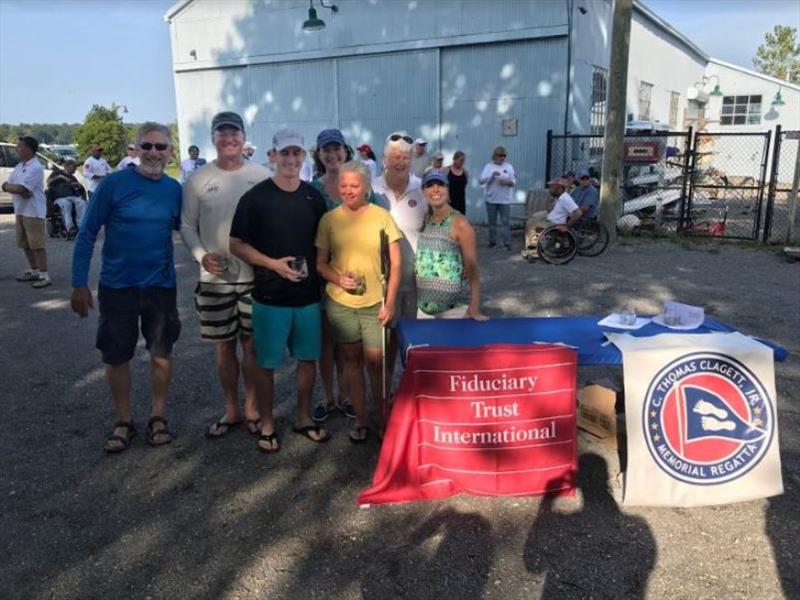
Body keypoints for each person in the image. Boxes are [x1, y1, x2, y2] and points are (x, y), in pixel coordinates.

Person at [71, 122, 182, 453]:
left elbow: (187, 229)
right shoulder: (114, 185)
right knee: (117, 354)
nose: (153, 153)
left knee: (161, 352)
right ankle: (124, 421)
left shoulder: (174, 190)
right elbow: (87, 232)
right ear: (135, 150)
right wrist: (79, 283)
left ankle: (157, 416)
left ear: (169, 152)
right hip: (117, 286)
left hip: (161, 285)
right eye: (146, 146)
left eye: (160, 147)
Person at [230, 129, 330, 453]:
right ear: (273, 155)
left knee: (307, 360)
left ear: (304, 157)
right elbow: (236, 244)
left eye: (296, 154)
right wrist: (272, 264)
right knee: (266, 364)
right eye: (284, 153)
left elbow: (324, 245)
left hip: (307, 297)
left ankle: (303, 417)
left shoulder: (314, 198)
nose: (291, 160)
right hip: (270, 296)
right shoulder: (256, 198)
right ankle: (269, 422)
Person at [181, 111, 270, 439]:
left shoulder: (261, 175)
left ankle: (252, 407)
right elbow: (187, 225)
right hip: (214, 280)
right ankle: (231, 408)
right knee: (222, 348)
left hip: (252, 277)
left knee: (252, 347)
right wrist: (202, 257)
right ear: (214, 138)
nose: (229, 139)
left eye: (235, 133)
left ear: (244, 137)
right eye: (223, 133)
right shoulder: (197, 179)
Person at [316, 161, 402, 443]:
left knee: (375, 363)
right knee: (351, 361)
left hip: (374, 303)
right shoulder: (329, 219)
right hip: (340, 302)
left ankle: (383, 419)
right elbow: (320, 264)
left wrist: (389, 303)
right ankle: (362, 422)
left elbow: (396, 264)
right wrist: (339, 279)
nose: (349, 191)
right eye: (344, 186)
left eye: (355, 186)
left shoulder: (381, 216)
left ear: (366, 187)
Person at [309, 129, 382, 423]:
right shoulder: (312, 189)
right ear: (319, 154)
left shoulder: (363, 187)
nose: (332, 154)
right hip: (323, 274)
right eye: (326, 149)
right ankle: (329, 396)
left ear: (346, 151)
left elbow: (377, 226)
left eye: (337, 148)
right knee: (326, 341)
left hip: (358, 276)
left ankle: (350, 395)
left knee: (350, 342)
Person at [372, 132, 427, 389]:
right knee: (385, 342)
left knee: (414, 337)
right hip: (381, 281)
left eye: (405, 156)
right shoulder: (372, 188)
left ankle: (411, 388)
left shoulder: (423, 187)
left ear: (412, 159)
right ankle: (385, 390)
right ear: (384, 158)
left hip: (416, 279)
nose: (400, 161)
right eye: (395, 156)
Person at [416, 170, 486, 321]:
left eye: (440, 185)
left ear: (448, 189)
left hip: (451, 313)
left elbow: (472, 267)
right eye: (429, 185)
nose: (435, 189)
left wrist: (474, 306)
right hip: (422, 311)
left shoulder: (459, 223)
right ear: (423, 191)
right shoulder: (426, 219)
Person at [2, 136, 50, 288]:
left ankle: (44, 275)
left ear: (29, 148)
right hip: (21, 209)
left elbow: (22, 189)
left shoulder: (35, 167)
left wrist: (15, 188)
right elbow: (7, 184)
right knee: (25, 244)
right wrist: (12, 188)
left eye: (20, 146)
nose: (17, 149)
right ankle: (33, 270)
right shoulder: (19, 166)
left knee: (37, 245)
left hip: (33, 211)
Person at [523, 178, 582, 260]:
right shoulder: (560, 197)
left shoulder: (565, 198)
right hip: (550, 218)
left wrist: (566, 226)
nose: (550, 190)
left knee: (531, 225)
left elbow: (578, 213)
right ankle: (531, 247)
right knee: (533, 218)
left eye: (552, 187)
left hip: (553, 223)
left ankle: (533, 251)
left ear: (560, 188)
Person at [479, 146, 516, 250]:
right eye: (500, 155)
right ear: (495, 156)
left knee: (505, 223)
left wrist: (508, 182)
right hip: (491, 199)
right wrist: (491, 175)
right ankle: (492, 242)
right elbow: (481, 181)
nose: (503, 158)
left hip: (505, 200)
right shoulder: (489, 167)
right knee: (492, 223)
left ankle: (507, 243)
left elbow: (513, 181)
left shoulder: (509, 167)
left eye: (504, 155)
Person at [47, 157, 87, 237]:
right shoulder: (57, 173)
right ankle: (70, 228)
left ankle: (81, 226)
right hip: (59, 197)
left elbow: (79, 189)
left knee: (82, 203)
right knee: (66, 204)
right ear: (67, 166)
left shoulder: (73, 178)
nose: (75, 169)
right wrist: (60, 177)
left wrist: (76, 185)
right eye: (74, 167)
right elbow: (48, 182)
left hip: (71, 196)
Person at [445, 150, 469, 215]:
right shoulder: (447, 170)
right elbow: (441, 185)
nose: (462, 162)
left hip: (460, 201)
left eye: (463, 160)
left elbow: (465, 184)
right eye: (461, 160)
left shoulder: (465, 172)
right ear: (455, 159)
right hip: (449, 201)